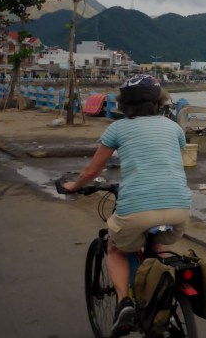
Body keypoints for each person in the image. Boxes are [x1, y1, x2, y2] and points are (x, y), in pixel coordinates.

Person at [64, 74, 192, 335]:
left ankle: (125, 303)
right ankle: (160, 295)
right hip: (179, 208)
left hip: (137, 209)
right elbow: (167, 161)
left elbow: (92, 172)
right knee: (156, 246)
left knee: (115, 248)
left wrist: (73, 186)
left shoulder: (117, 128)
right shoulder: (174, 128)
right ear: (158, 102)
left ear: (123, 104)